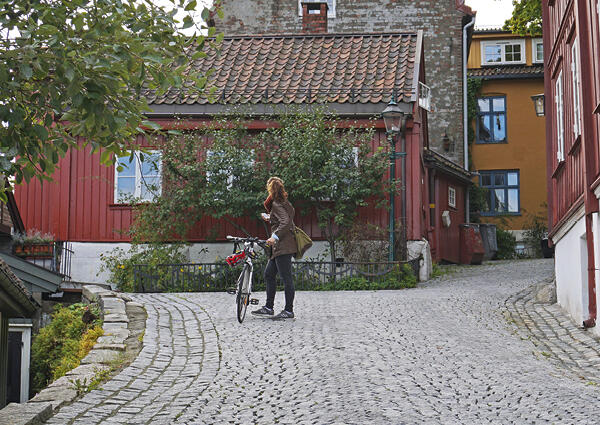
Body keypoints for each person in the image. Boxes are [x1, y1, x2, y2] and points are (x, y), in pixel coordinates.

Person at [252, 177, 297, 319]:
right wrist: (270, 218)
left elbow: (286, 221)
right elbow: (286, 217)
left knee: (286, 278)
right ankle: (268, 307)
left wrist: (275, 236)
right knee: (269, 274)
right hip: (279, 247)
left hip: (283, 246)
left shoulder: (277, 204)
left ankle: (288, 311)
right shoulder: (284, 202)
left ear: (270, 189)